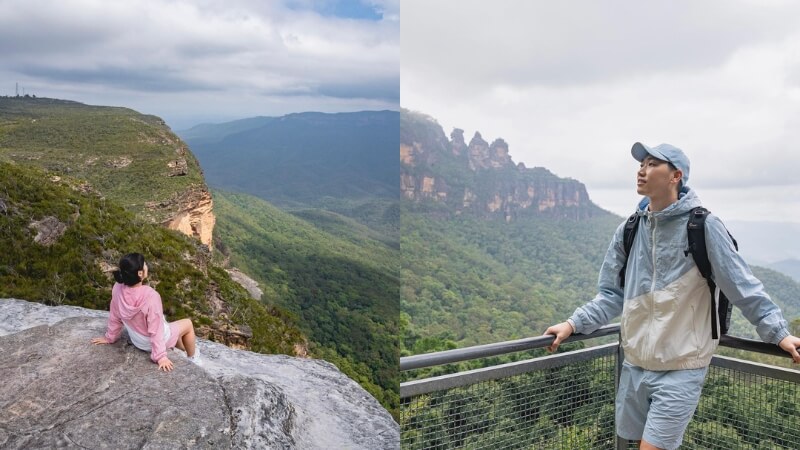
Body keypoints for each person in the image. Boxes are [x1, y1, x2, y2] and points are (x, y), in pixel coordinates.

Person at [544, 142, 800, 450]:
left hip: (681, 368)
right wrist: (572, 324)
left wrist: (778, 333)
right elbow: (612, 294)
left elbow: (743, 286)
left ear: (675, 175)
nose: (642, 170)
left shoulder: (704, 226)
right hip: (634, 365)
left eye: (653, 164)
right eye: (641, 164)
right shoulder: (629, 229)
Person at [91, 253, 200, 371]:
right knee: (188, 324)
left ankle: (181, 349)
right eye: (145, 265)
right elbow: (156, 330)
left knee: (175, 330)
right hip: (152, 343)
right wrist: (160, 357)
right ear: (140, 273)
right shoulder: (150, 296)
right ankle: (193, 359)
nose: (146, 266)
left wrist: (110, 337)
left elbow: (115, 315)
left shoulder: (117, 288)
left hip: (138, 341)